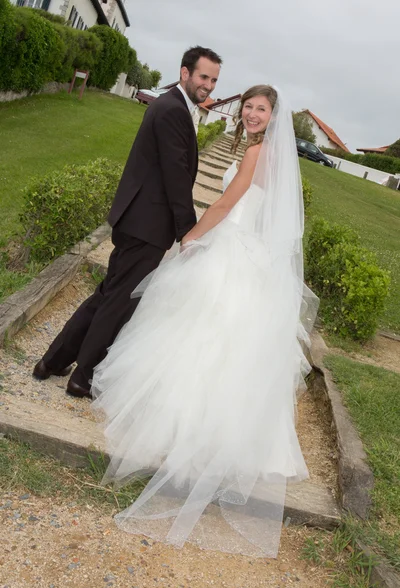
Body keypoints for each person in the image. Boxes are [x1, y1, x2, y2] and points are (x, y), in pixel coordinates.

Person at [91, 85, 319, 558]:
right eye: (249, 107)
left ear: (273, 118)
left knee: (204, 335)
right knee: (227, 343)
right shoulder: (271, 158)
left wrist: (189, 238)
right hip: (252, 254)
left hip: (231, 249)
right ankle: (229, 439)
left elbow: (224, 205)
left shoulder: (258, 155)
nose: (253, 114)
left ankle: (184, 430)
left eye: (262, 109)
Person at [32, 46, 222, 398]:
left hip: (138, 220)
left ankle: (54, 361)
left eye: (213, 79)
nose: (208, 85)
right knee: (117, 302)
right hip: (147, 224)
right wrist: (188, 232)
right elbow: (175, 176)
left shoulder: (174, 107)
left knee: (107, 294)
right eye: (203, 76)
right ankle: (83, 378)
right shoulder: (172, 111)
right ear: (185, 73)